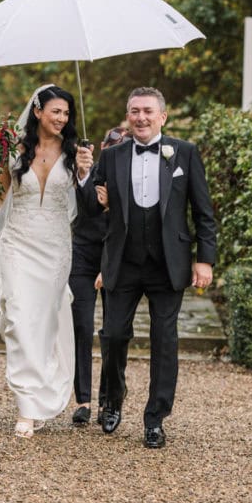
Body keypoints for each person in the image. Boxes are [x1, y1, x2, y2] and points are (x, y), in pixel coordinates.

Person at [89, 86, 216, 449]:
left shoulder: (185, 154)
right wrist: (90, 185)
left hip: (167, 264)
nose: (140, 117)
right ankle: (112, 400)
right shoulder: (111, 157)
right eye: (134, 111)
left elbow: (203, 212)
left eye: (147, 111)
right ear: (127, 116)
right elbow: (91, 213)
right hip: (122, 261)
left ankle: (155, 418)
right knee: (112, 334)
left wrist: (204, 259)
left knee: (165, 341)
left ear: (163, 116)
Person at [0, 83, 92, 439]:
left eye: (65, 113)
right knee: (18, 319)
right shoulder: (14, 150)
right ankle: (26, 407)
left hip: (55, 247)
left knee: (45, 323)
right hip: (18, 243)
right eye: (55, 111)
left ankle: (45, 391)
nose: (61, 118)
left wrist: (85, 172)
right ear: (37, 111)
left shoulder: (76, 152)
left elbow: (90, 203)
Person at [69, 125, 129, 427]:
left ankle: (109, 399)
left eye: (120, 144)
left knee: (112, 331)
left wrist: (112, 204)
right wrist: (83, 174)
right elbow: (82, 206)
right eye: (110, 144)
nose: (114, 148)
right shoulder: (89, 170)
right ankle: (83, 399)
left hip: (116, 256)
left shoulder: (134, 173)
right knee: (81, 323)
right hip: (83, 253)